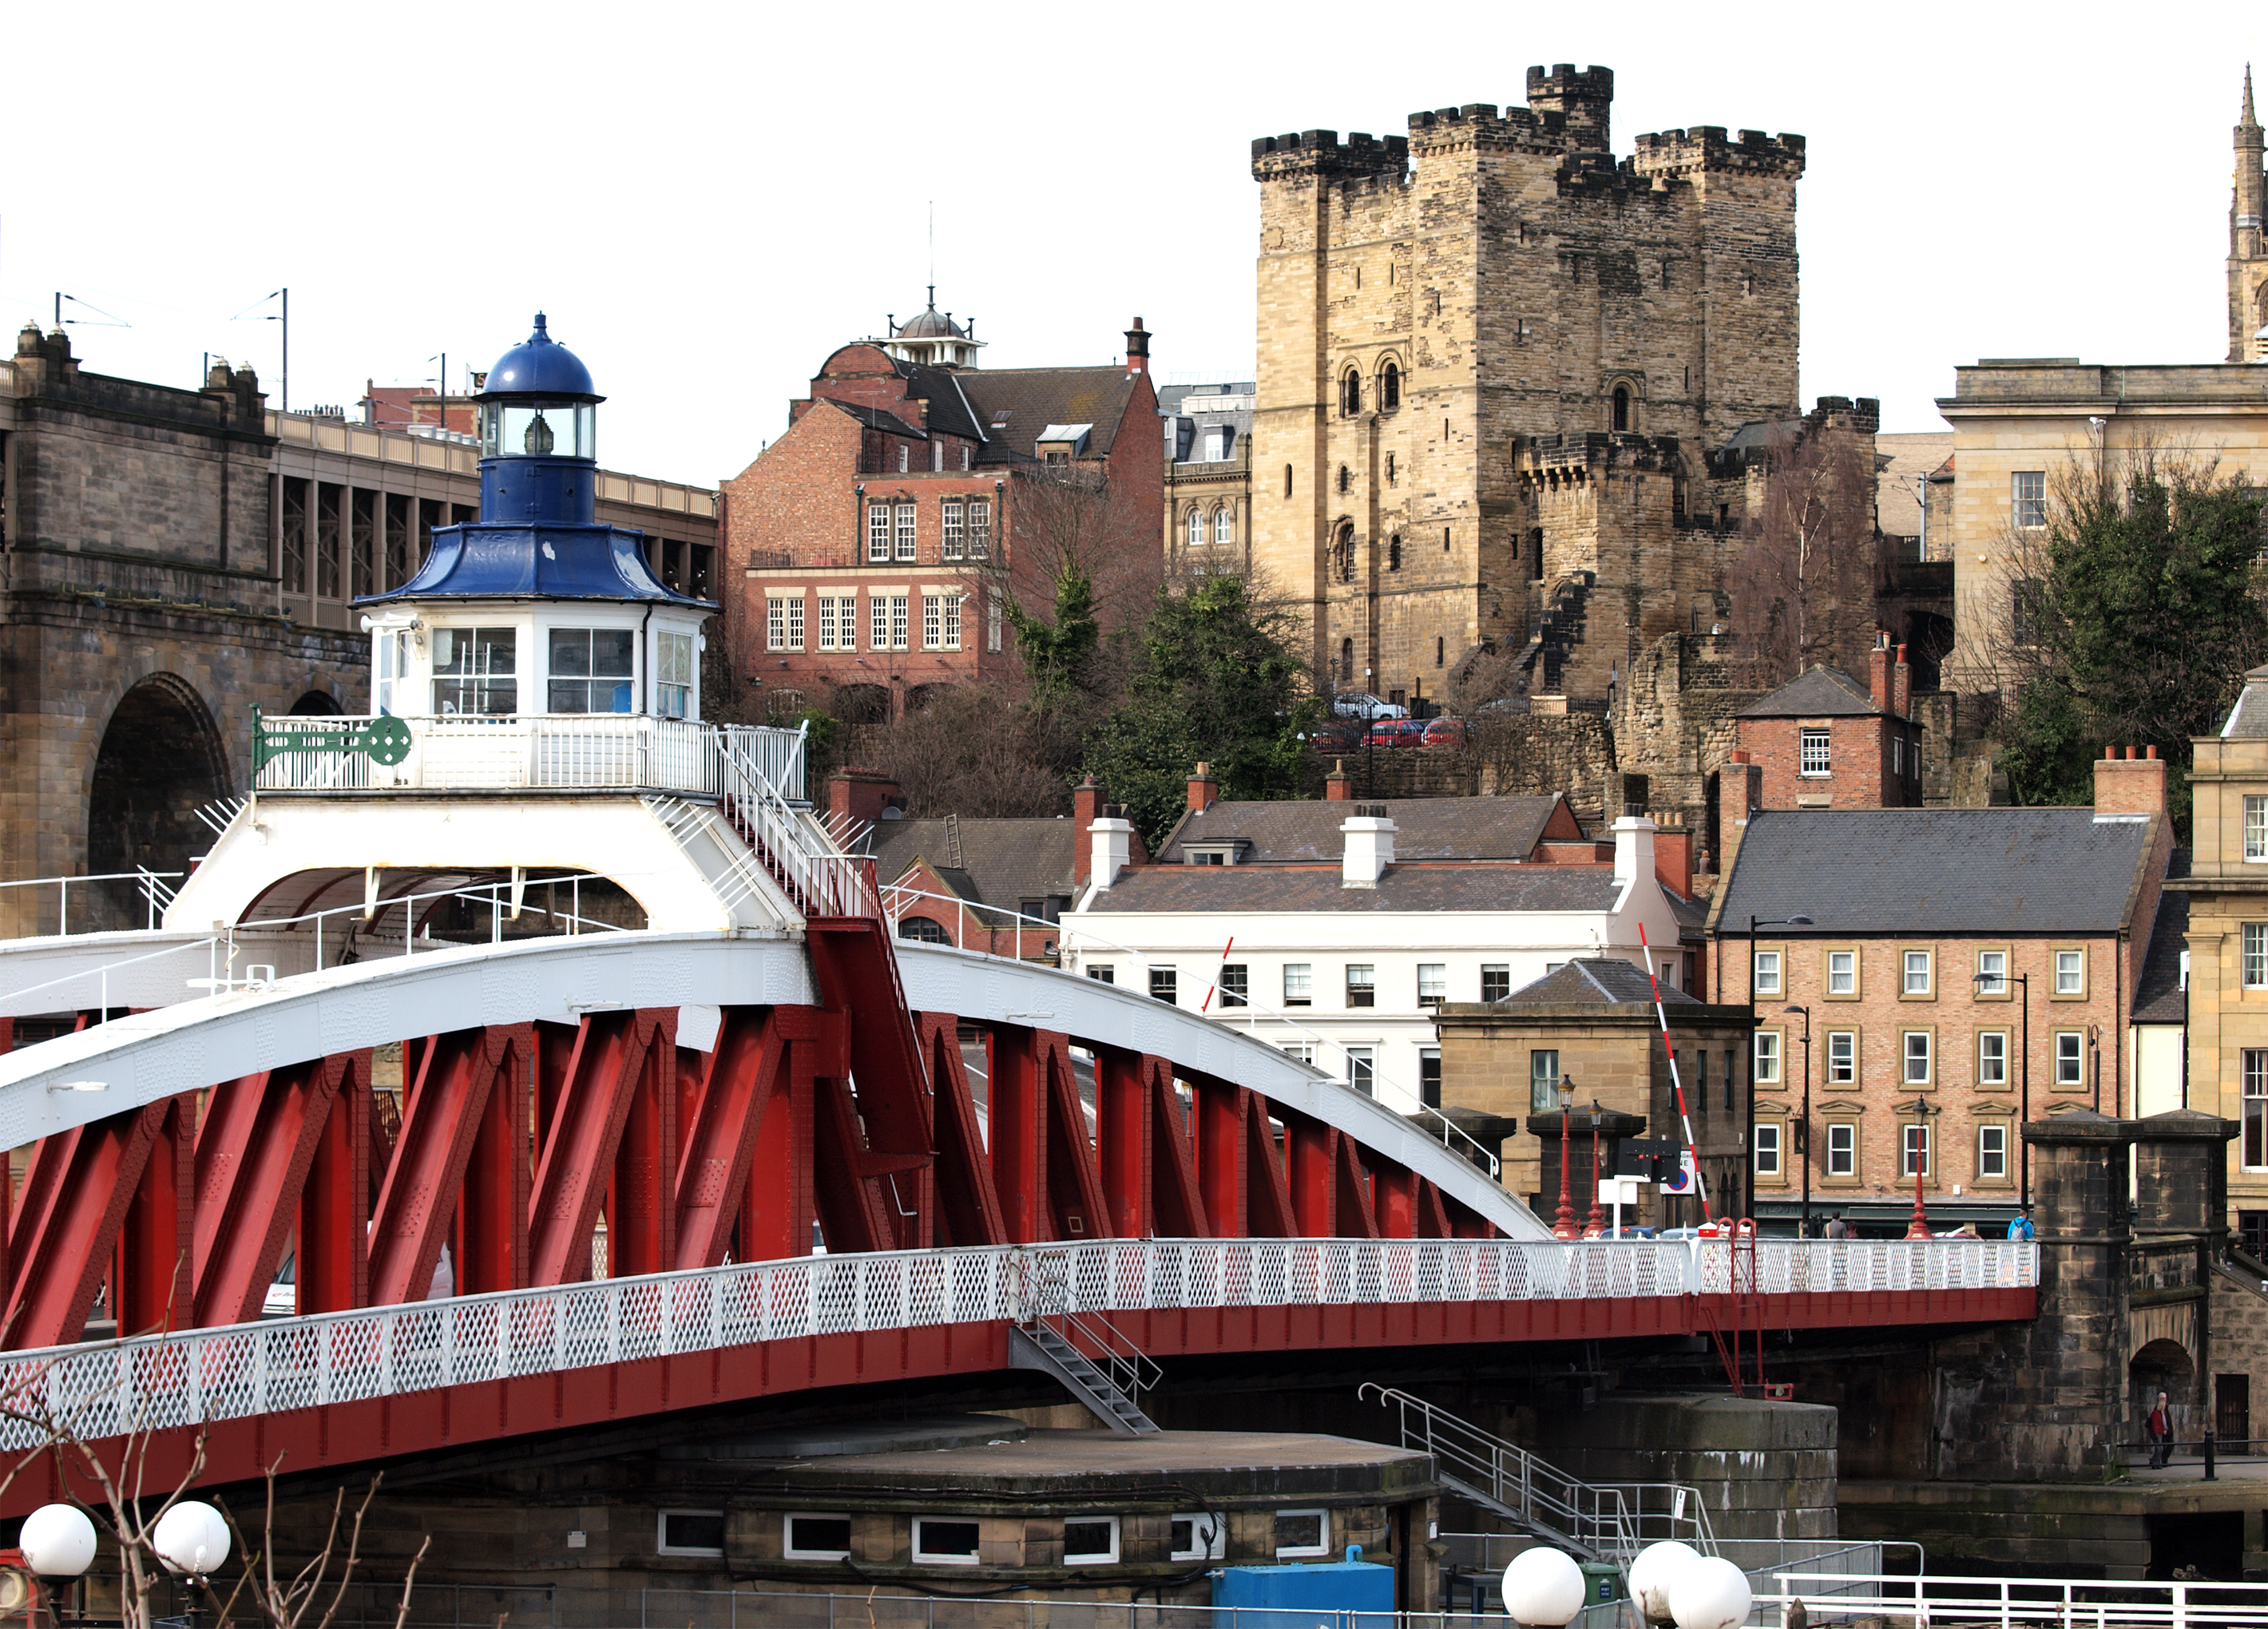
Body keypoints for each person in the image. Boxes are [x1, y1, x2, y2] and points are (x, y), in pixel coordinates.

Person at [2149, 1391, 2173, 1468]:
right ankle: (2156, 1462)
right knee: (2160, 1448)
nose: (2164, 1400)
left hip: (2165, 1430)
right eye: (2162, 1398)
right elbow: (2156, 1422)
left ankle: (2160, 1461)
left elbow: (2167, 1420)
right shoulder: (2157, 1410)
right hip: (2160, 1431)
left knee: (2167, 1446)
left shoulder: (2165, 1408)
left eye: (2165, 1398)